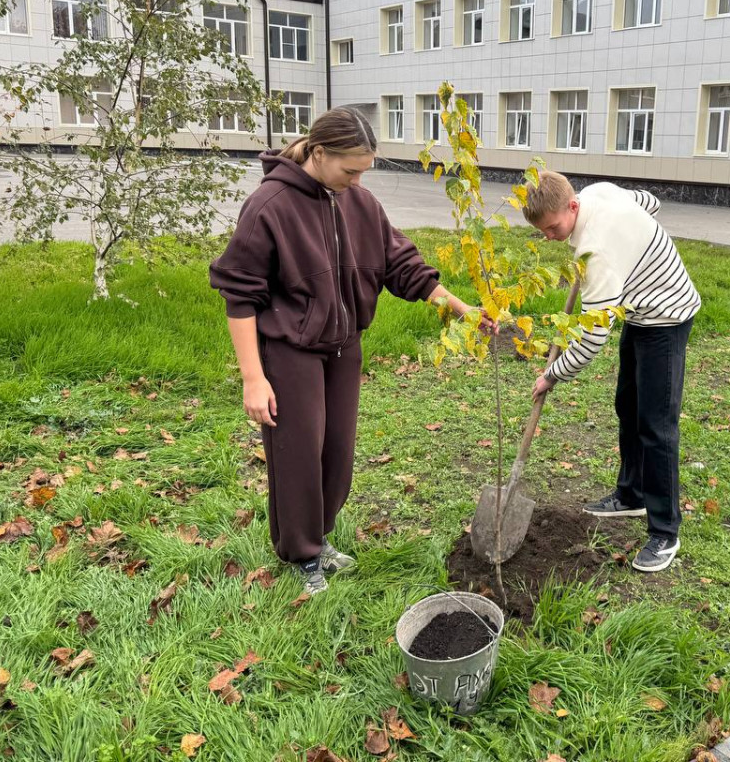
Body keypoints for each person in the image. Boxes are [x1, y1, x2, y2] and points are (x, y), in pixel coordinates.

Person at [209, 107, 483, 594]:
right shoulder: (269, 205)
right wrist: (254, 377)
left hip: (343, 347)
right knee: (299, 452)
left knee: (337, 450)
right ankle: (302, 554)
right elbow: (240, 295)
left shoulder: (360, 202)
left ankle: (322, 535)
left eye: (364, 171)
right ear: (318, 153)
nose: (357, 181)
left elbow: (402, 265)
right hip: (289, 350)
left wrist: (462, 309)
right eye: (350, 170)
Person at [524, 171, 701, 573]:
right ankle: (632, 494)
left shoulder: (595, 252)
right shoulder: (596, 193)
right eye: (543, 231)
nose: (551, 237)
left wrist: (553, 374)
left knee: (656, 426)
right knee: (628, 405)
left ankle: (664, 532)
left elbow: (591, 337)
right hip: (638, 314)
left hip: (667, 316)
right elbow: (649, 202)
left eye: (553, 227)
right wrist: (637, 241)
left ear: (573, 206)